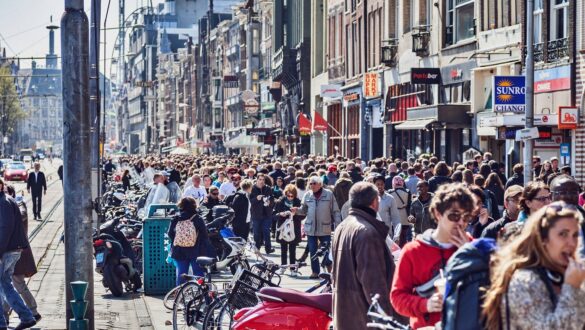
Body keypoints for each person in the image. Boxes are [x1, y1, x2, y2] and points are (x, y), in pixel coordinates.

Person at [482, 202, 585, 329]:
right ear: (543, 239)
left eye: (575, 235)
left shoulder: (571, 274)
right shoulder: (525, 281)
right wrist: (572, 288)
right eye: (563, 234)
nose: (572, 242)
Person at [391, 183, 474, 329]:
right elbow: (397, 297)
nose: (461, 222)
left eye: (466, 217)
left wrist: (470, 255)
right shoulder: (413, 251)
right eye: (454, 215)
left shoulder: (472, 246)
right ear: (438, 213)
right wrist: (425, 304)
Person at [332, 182, 398, 330]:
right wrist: (386, 321)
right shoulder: (367, 232)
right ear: (375, 202)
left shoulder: (342, 227)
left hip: (346, 317)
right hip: (364, 319)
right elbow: (374, 284)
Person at [0, 178, 37, 330]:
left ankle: (5, 322)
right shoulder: (7, 200)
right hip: (12, 249)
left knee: (5, 285)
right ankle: (26, 317)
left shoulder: (3, 202)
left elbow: (5, 227)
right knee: (6, 285)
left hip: (6, 250)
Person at [292, 176, 341, 279]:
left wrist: (338, 225)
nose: (312, 185)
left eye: (314, 183)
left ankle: (329, 269)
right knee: (313, 251)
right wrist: (297, 210)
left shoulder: (329, 194)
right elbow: (304, 210)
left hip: (325, 228)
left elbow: (335, 211)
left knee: (326, 251)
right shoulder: (307, 195)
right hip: (311, 228)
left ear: (320, 184)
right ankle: (315, 272)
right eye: (310, 183)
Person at [168, 197, 211, 286]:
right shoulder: (197, 218)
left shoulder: (176, 218)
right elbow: (205, 236)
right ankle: (202, 295)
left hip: (179, 250)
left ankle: (180, 296)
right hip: (195, 251)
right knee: (198, 273)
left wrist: (178, 241)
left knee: (181, 274)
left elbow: (170, 234)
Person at [273, 184, 303, 276]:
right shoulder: (280, 201)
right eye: (288, 195)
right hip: (283, 228)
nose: (290, 197)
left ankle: (293, 269)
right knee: (283, 249)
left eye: (292, 196)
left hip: (294, 228)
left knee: (292, 249)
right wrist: (280, 214)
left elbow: (303, 215)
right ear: (285, 194)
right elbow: (274, 215)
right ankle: (283, 267)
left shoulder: (298, 202)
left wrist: (296, 213)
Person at [249, 174, 275, 253]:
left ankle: (268, 249)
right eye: (260, 179)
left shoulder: (268, 188)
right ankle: (257, 248)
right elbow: (250, 201)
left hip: (266, 213)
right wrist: (257, 198)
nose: (261, 181)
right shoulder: (252, 188)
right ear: (257, 180)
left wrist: (270, 202)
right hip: (256, 214)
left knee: (266, 231)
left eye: (263, 180)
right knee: (256, 232)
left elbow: (272, 199)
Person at [373, 175, 401, 241]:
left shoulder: (390, 198)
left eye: (382, 184)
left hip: (387, 235)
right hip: (373, 234)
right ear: (374, 185)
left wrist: (397, 235)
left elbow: (395, 218)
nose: (380, 186)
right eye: (377, 184)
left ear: (384, 185)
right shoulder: (369, 198)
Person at [389, 176, 412, 246]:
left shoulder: (390, 192)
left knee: (395, 237)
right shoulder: (407, 192)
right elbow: (409, 205)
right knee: (403, 237)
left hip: (394, 218)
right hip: (404, 217)